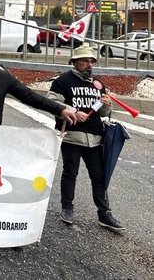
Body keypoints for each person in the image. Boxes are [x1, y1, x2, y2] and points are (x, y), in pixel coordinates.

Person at [47, 44, 124, 231]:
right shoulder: (63, 81)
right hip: (72, 136)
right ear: (75, 62)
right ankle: (67, 207)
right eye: (84, 60)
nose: (89, 64)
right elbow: (50, 101)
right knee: (70, 173)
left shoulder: (97, 84)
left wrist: (107, 104)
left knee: (99, 176)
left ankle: (104, 213)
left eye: (91, 61)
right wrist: (73, 111)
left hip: (95, 138)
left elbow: (104, 112)